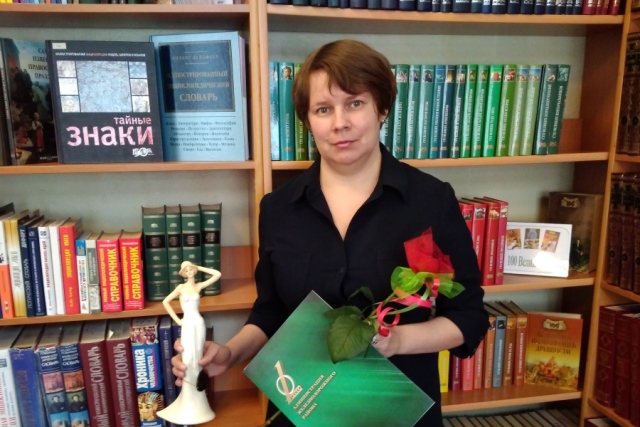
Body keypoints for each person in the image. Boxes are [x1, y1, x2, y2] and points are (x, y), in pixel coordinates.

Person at [171, 39, 488, 426]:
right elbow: (272, 311)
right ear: (308, 121)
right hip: (302, 408)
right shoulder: (278, 209)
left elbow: (469, 315)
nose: (340, 123)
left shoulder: (430, 200)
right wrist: (230, 355)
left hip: (396, 413)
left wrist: (399, 341)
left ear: (382, 109)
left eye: (355, 103)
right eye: (323, 109)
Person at [157, 261, 220, 424]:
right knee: (188, 358)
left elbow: (217, 274)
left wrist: (199, 267)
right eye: (187, 270)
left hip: (198, 323)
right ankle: (189, 398)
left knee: (198, 357)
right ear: (183, 273)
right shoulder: (180, 288)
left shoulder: (198, 286)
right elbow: (165, 302)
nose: (190, 271)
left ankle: (199, 401)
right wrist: (178, 320)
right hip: (187, 323)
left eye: (191, 269)